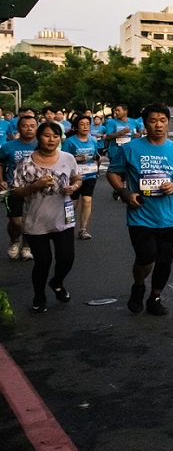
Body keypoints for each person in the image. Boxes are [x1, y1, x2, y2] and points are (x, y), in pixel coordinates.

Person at [105, 103, 173, 316]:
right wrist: (125, 193)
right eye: (153, 121)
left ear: (168, 123)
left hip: (169, 217)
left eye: (162, 121)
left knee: (164, 261)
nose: (158, 125)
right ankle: (138, 286)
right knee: (146, 257)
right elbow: (112, 173)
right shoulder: (130, 149)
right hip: (140, 215)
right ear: (145, 123)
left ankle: (155, 296)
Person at [11, 121, 81, 312]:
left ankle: (57, 283)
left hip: (64, 219)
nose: (51, 140)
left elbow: (77, 177)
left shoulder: (67, 158)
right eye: (47, 135)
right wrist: (35, 186)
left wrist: (73, 187)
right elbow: (16, 192)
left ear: (60, 139)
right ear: (39, 137)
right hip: (36, 221)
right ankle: (39, 297)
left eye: (55, 136)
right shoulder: (26, 163)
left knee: (67, 259)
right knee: (43, 262)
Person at [1, 112, 39, 259]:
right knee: (16, 221)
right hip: (14, 188)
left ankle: (26, 246)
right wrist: (0, 180)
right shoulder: (8, 146)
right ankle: (14, 240)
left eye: (32, 126)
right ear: (18, 128)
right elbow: (1, 162)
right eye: (25, 126)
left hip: (36, 189)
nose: (29, 129)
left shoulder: (41, 145)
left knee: (30, 220)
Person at [62, 114, 101, 240]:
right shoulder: (70, 142)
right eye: (82, 124)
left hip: (90, 174)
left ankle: (83, 229)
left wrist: (97, 160)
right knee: (73, 203)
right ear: (76, 127)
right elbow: (64, 160)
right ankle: (66, 224)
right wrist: (78, 158)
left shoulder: (93, 140)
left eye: (87, 124)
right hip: (74, 176)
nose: (85, 127)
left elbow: (95, 155)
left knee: (87, 200)